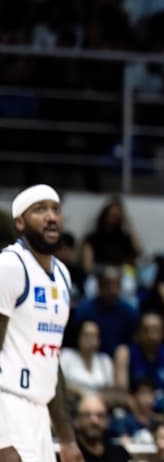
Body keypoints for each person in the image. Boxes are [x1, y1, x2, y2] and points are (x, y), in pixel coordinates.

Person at [0, 184, 82, 461]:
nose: (51, 216)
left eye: (55, 209)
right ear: (20, 223)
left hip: (39, 415)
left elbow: (50, 359)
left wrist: (67, 437)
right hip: (7, 408)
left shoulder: (63, 275)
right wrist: (2, 439)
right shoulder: (9, 266)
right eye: (39, 209)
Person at [74, 393, 130, 462]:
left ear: (108, 420)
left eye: (100, 415)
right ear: (77, 420)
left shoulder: (119, 453)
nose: (94, 421)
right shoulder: (68, 454)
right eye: (87, 415)